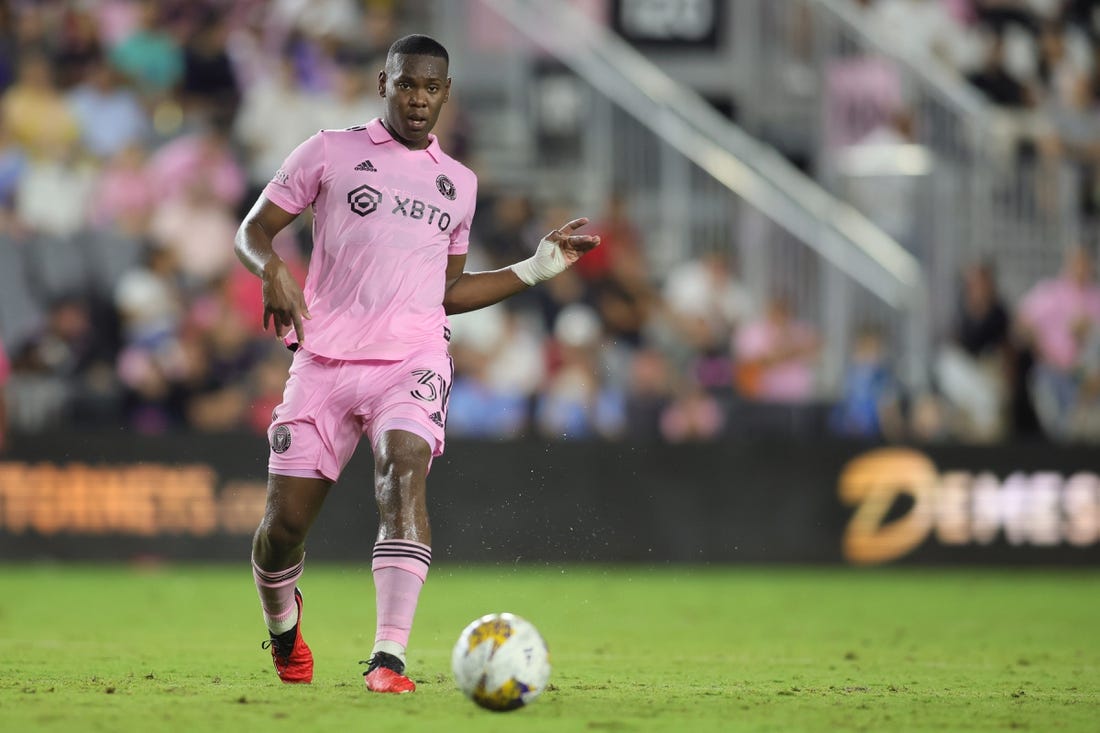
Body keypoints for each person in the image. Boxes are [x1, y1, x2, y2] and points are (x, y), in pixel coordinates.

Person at [235, 35, 599, 694]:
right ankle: (284, 625)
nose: (419, 98)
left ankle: (388, 657)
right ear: (384, 84)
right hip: (323, 358)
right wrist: (273, 269)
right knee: (280, 530)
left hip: (412, 358)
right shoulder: (328, 151)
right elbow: (252, 229)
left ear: (446, 94)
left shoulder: (458, 184)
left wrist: (537, 268)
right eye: (407, 84)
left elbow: (447, 292)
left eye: (431, 88)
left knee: (403, 472)